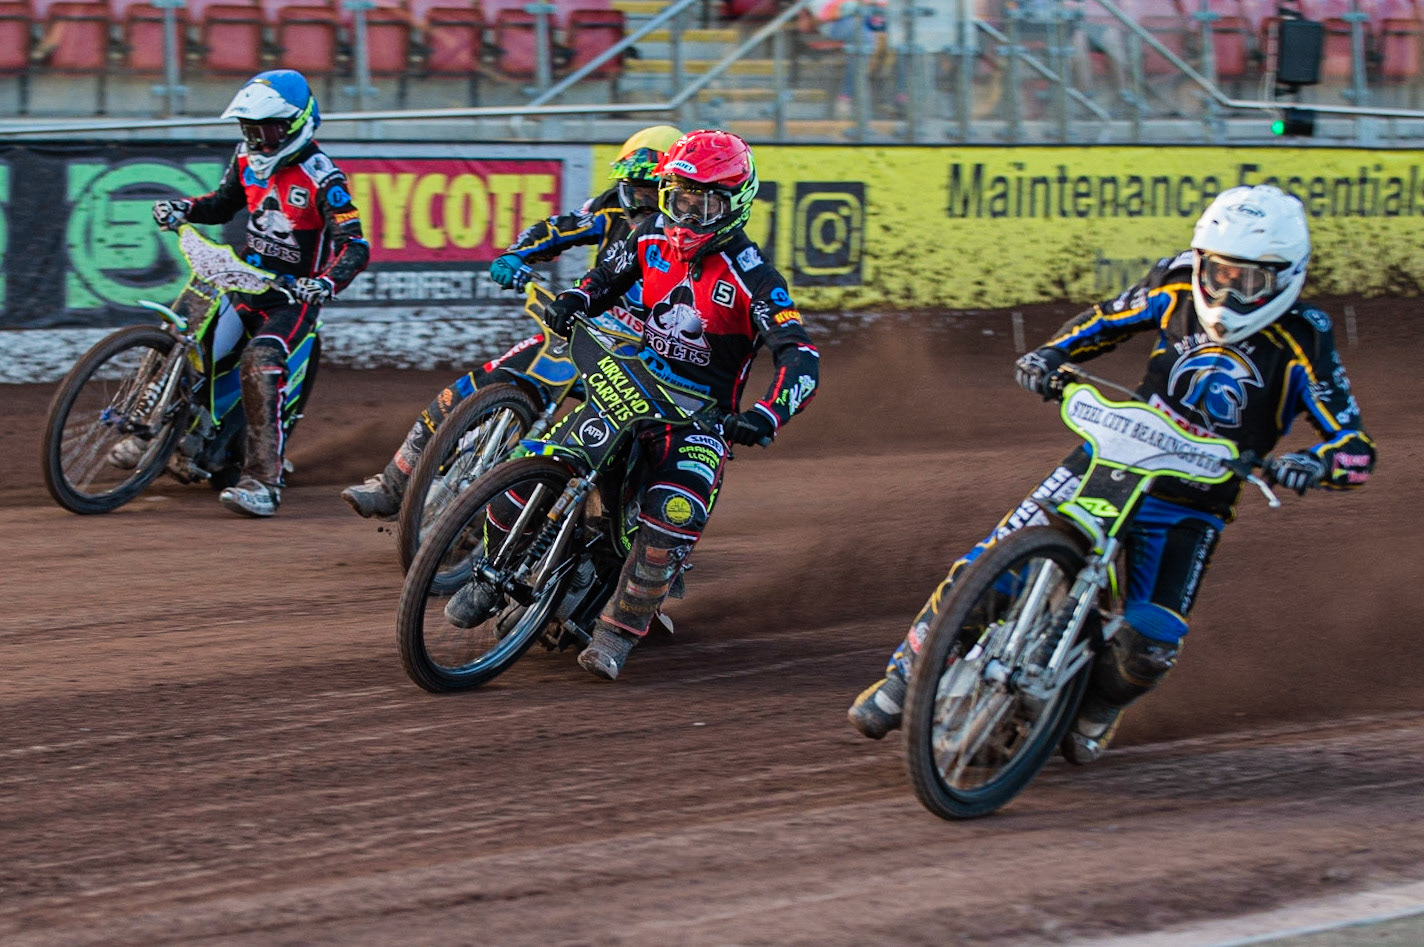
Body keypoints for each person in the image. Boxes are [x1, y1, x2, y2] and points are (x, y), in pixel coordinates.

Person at [847, 184, 1376, 761]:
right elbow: (1106, 319)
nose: (1226, 289)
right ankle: (905, 677)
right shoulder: (1174, 282)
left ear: (1286, 277)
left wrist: (1312, 465)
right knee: (989, 563)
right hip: (1113, 458)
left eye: (1248, 280)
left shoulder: (1305, 336)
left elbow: (1355, 447)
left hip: (1192, 504)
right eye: (1218, 272)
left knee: (1150, 641)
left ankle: (1096, 709)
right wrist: (1050, 355)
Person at [445, 128, 821, 682]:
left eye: (704, 203)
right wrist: (576, 298)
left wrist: (766, 414)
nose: (687, 216)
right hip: (630, 383)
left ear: (735, 204)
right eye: (679, 198)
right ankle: (487, 574)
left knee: (673, 515)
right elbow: (606, 277)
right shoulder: (649, 236)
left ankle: (616, 634)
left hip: (698, 419)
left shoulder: (756, 278)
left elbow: (801, 356)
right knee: (524, 466)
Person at [339, 124, 685, 519]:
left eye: (648, 192)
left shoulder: (695, 242)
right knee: (463, 392)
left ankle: (626, 538)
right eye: (632, 189)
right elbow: (559, 228)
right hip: (584, 335)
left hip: (644, 361)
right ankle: (392, 484)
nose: (638, 203)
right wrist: (517, 254)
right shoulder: (610, 208)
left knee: (624, 456)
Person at [148, 69, 369, 517]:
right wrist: (183, 208)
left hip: (291, 299)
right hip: (243, 277)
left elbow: (355, 244)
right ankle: (146, 430)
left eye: (268, 130)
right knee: (183, 326)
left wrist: (324, 282)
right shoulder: (246, 159)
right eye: (251, 130)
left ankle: (263, 483)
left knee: (260, 362)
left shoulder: (323, 177)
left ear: (296, 123)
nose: (259, 140)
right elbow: (221, 203)